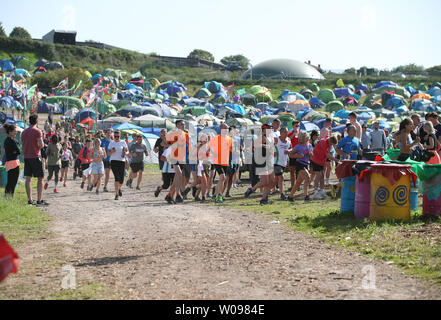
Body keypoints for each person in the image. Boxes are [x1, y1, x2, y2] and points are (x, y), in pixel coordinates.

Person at [21, 114, 47, 206]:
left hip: (26, 157)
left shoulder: (24, 132)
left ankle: (29, 200)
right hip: (36, 156)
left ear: (29, 121)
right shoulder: (37, 131)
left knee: (28, 178)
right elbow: (40, 144)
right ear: (36, 121)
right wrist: (43, 144)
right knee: (40, 178)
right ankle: (39, 200)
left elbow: (22, 145)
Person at [209, 123, 232, 203]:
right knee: (222, 177)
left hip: (225, 161)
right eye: (225, 128)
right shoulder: (216, 138)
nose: (226, 130)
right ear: (221, 129)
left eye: (227, 128)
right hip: (217, 161)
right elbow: (209, 148)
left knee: (223, 179)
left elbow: (230, 149)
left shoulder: (229, 139)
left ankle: (215, 194)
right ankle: (219, 195)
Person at [288, 132, 313, 202]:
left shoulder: (310, 145)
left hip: (306, 164)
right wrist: (298, 156)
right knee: (307, 178)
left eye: (308, 137)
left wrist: (311, 154)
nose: (308, 138)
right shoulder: (298, 146)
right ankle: (306, 196)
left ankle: (290, 196)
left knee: (298, 182)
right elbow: (290, 155)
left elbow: (311, 155)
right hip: (300, 164)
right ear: (303, 138)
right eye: (306, 137)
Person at [107, 129, 128, 200]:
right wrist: (112, 151)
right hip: (113, 161)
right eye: (115, 136)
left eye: (117, 136)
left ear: (120, 136)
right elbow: (108, 153)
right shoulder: (111, 143)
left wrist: (126, 153)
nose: (116, 137)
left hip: (122, 161)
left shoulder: (123, 142)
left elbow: (127, 151)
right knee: (117, 177)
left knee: (121, 180)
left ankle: (118, 188)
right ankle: (116, 194)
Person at [273, 127, 291, 201]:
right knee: (281, 177)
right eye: (285, 132)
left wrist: (289, 150)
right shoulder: (276, 139)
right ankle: (282, 194)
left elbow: (292, 148)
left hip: (284, 162)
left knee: (275, 180)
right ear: (281, 133)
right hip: (276, 162)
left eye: (287, 132)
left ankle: (262, 189)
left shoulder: (288, 140)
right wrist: (273, 152)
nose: (286, 134)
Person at [3, 123, 21, 197]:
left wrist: (15, 151)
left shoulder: (6, 140)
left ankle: (6, 195)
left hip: (8, 163)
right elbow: (19, 151)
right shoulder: (13, 141)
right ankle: (11, 196)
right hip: (14, 163)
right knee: (13, 181)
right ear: (10, 132)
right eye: (14, 131)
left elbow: (16, 151)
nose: (16, 132)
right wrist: (16, 150)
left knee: (9, 181)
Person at [287, 120, 301, 191]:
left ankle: (298, 186)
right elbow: (288, 140)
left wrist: (298, 134)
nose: (297, 127)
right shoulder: (290, 133)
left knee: (298, 171)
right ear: (293, 126)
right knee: (292, 171)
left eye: (298, 126)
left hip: (299, 154)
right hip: (292, 154)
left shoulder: (301, 133)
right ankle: (292, 186)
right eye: (296, 126)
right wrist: (294, 133)